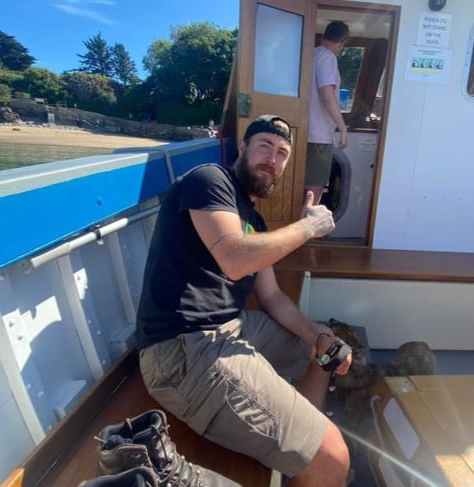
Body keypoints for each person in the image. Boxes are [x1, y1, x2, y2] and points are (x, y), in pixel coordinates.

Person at [136, 114, 353, 487]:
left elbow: (270, 297)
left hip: (230, 328)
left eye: (282, 153)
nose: (273, 158)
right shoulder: (210, 181)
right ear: (243, 148)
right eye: (264, 146)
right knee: (335, 458)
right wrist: (308, 226)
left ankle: (302, 448)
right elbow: (235, 258)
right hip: (184, 350)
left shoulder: (253, 218)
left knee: (318, 355)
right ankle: (318, 460)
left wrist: (318, 333)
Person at [306, 21, 350, 204]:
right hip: (319, 135)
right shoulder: (328, 57)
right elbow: (327, 95)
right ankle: (306, 232)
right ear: (342, 42)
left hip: (304, 133)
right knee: (313, 192)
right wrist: (343, 128)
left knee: (299, 189)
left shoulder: (311, 54)